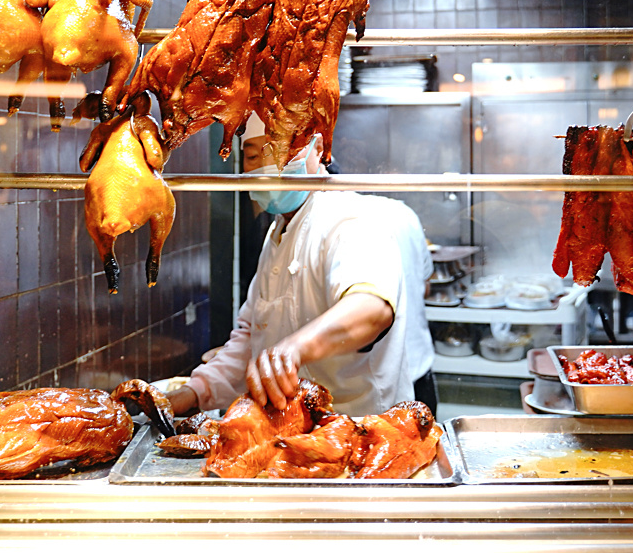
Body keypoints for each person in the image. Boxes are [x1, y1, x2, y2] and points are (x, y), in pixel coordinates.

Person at [166, 114, 436, 418]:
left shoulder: (351, 219)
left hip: (357, 429)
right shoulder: (279, 232)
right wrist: (195, 392)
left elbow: (372, 309)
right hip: (290, 432)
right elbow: (251, 338)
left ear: (317, 148)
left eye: (281, 149)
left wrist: (293, 348)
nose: (268, 167)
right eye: (254, 155)